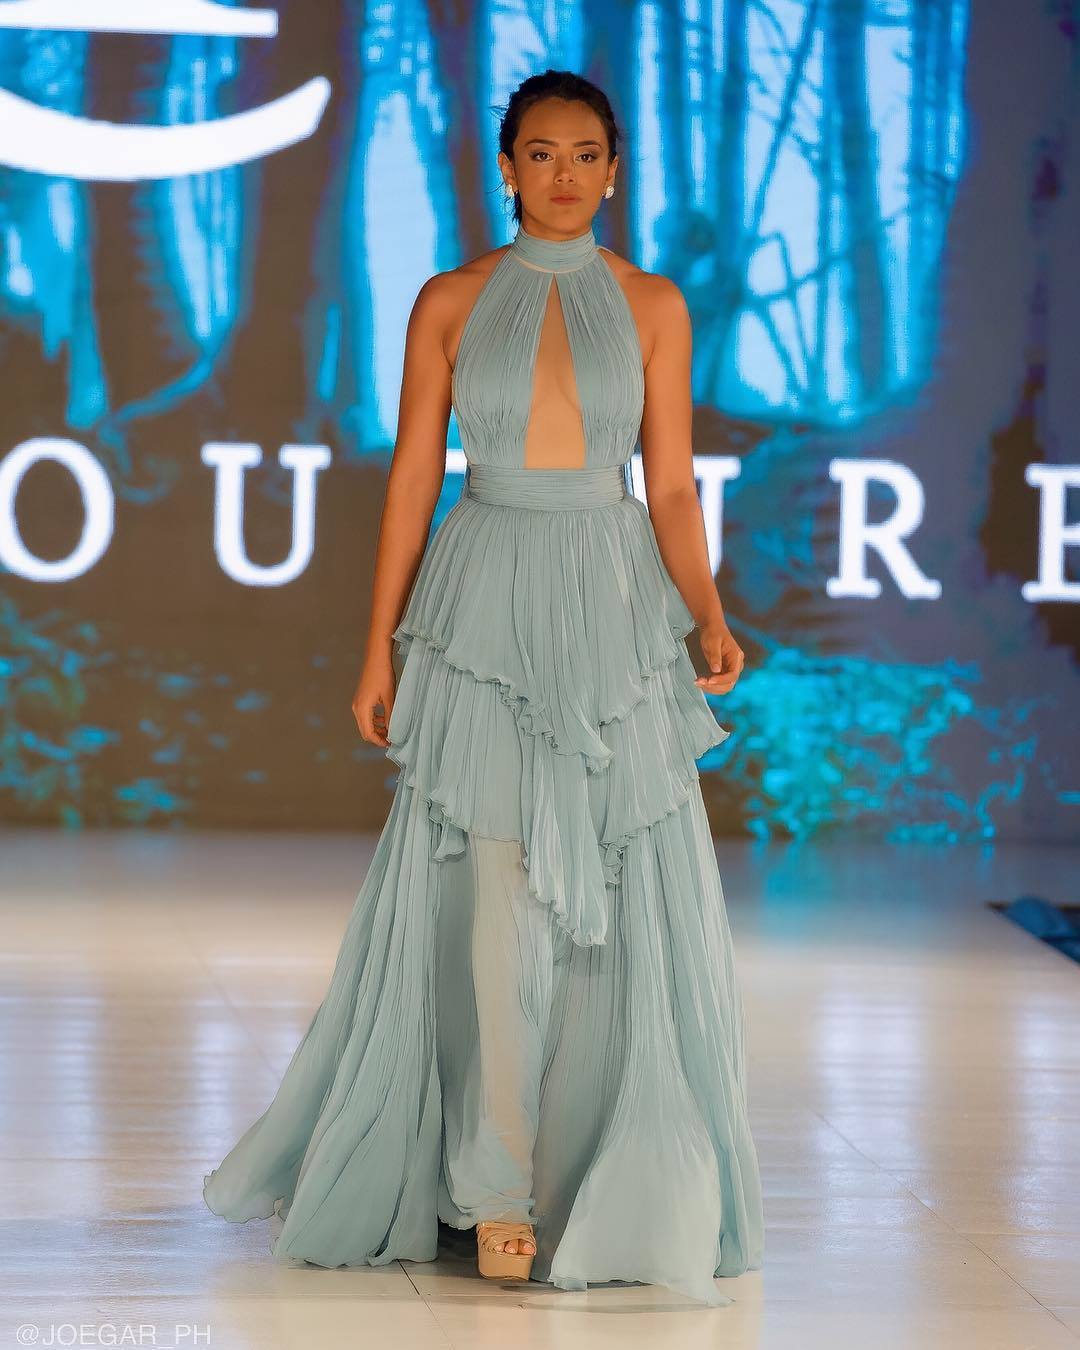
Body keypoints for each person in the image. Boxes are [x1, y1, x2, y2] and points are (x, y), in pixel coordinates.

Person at [203, 67, 764, 1308]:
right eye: (541, 154)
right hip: (485, 599)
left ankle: (595, 1171)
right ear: (507, 169)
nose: (563, 175)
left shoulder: (655, 305)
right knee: (495, 896)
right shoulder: (451, 301)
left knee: (616, 893)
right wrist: (378, 647)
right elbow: (413, 476)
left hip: (612, 601)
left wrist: (709, 615)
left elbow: (672, 484)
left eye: (586, 155)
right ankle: (497, 1190)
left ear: (614, 172)